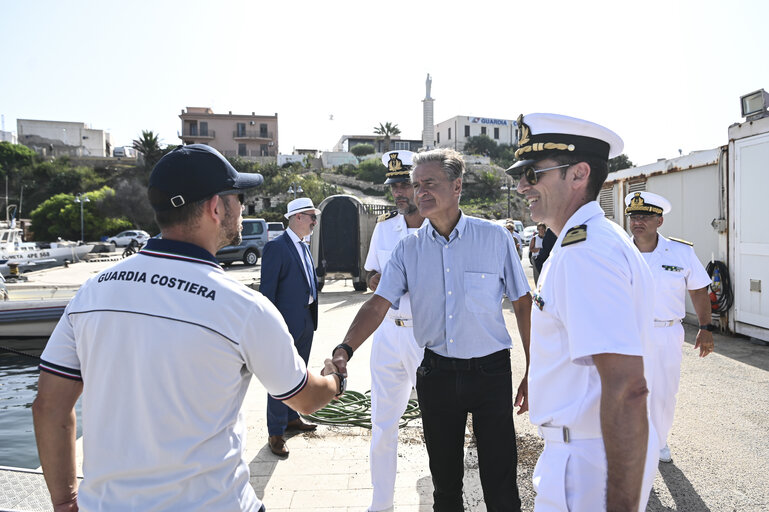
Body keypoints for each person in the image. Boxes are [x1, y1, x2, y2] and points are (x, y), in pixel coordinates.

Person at [32, 144, 344, 512]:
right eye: (238, 197)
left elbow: (49, 408)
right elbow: (304, 398)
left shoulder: (92, 292)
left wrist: (66, 500)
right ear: (216, 207)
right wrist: (336, 380)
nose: (242, 207)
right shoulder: (242, 307)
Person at [328, 147, 532, 512]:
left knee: (500, 482)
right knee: (445, 486)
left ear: (457, 186)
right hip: (436, 373)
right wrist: (345, 348)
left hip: (490, 373)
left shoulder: (494, 239)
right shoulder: (407, 249)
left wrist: (534, 368)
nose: (420, 192)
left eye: (430, 183)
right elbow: (378, 304)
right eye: (416, 184)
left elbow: (521, 303)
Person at [508, 113, 658, 511]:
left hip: (587, 462)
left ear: (579, 174)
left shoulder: (585, 252)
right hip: (585, 451)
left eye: (532, 173)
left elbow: (627, 388)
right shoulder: (587, 242)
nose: (522, 185)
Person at [624, 190, 715, 463]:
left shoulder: (680, 252)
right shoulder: (619, 251)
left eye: (645, 217)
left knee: (663, 392)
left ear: (659, 221)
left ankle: (659, 442)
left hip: (666, 332)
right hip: (627, 333)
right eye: (633, 216)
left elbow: (699, 289)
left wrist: (706, 327)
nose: (637, 221)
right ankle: (632, 443)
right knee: (627, 391)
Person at [364, 150, 427, 512]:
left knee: (436, 424)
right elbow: (370, 273)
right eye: (394, 186)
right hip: (387, 333)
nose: (398, 193)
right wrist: (377, 280)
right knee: (383, 424)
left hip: (426, 337)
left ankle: (439, 495)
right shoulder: (385, 227)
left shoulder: (438, 226)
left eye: (404, 184)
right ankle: (381, 503)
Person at [260, 196, 323, 457]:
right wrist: (269, 328)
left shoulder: (304, 246)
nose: (314, 222)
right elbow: (267, 292)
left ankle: (290, 418)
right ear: (297, 217)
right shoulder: (277, 248)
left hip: (306, 320)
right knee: (278, 376)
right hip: (284, 325)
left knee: (298, 373)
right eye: (311, 217)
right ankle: (276, 432)